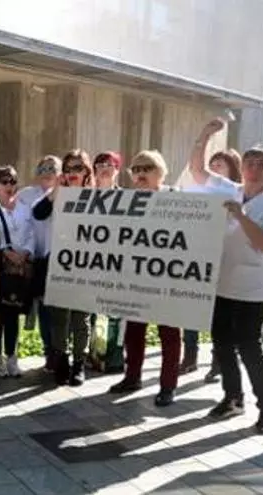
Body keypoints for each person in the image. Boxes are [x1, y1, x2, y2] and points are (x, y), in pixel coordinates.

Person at [189, 118, 263, 434]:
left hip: (254, 288)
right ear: (241, 167)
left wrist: (241, 216)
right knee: (222, 344)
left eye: (261, 164)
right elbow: (197, 171)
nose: (254, 169)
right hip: (223, 284)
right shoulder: (229, 190)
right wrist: (205, 134)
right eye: (249, 163)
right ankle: (233, 398)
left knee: (249, 347)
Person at [106, 150, 183, 407]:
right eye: (136, 169)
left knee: (169, 334)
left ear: (161, 172)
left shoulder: (178, 199)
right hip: (136, 277)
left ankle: (168, 386)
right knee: (134, 331)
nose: (140, 174)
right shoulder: (127, 201)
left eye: (146, 168)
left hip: (168, 280)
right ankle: (132, 377)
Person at [180, 146, 243, 380]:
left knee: (220, 314)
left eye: (220, 164)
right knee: (190, 308)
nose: (214, 168)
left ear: (232, 169)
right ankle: (190, 356)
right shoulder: (199, 192)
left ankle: (219, 360)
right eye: (212, 164)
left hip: (225, 261)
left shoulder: (239, 194)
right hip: (197, 256)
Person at [31, 150, 93, 386]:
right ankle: (62, 360)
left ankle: (79, 364)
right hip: (59, 263)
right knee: (59, 318)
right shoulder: (57, 193)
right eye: (67, 169)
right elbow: (38, 213)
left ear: (86, 171)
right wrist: (57, 190)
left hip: (86, 265)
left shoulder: (96, 195)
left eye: (78, 168)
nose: (72, 173)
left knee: (81, 319)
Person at [0, 165, 34, 378]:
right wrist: (7, 253)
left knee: (13, 314)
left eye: (13, 181)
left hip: (19, 268)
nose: (9, 185)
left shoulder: (25, 208)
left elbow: (31, 234)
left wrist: (24, 255)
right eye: (4, 181)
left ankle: (12, 357)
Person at [17, 156, 61, 372]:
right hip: (36, 257)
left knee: (60, 308)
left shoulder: (67, 193)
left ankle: (63, 351)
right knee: (43, 306)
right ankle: (49, 350)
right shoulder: (26, 194)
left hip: (59, 257)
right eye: (43, 168)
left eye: (52, 169)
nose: (47, 172)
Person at [90, 152, 124, 374]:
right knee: (93, 311)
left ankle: (114, 357)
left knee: (116, 313)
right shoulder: (86, 197)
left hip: (117, 261)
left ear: (117, 169)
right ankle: (95, 354)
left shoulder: (126, 198)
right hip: (91, 261)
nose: (104, 168)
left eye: (109, 164)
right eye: (100, 164)